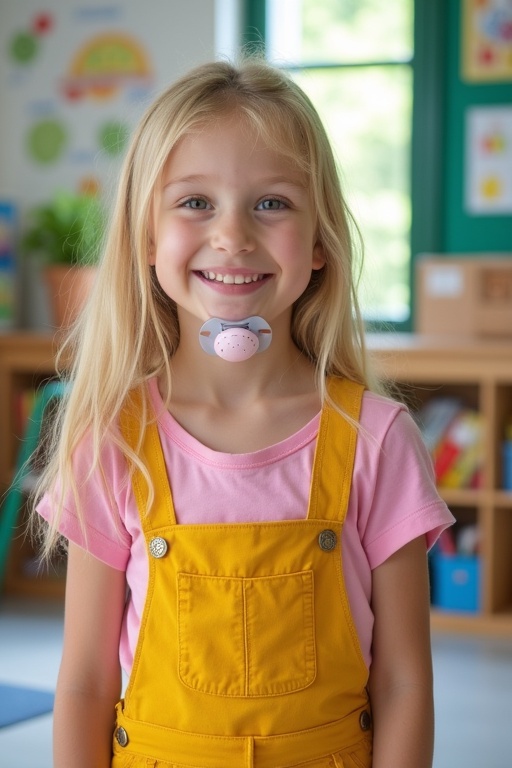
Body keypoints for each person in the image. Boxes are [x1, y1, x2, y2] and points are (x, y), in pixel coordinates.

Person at [33, 57, 454, 768]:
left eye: (272, 203)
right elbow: (83, 684)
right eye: (195, 202)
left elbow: (406, 681)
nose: (233, 235)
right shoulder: (114, 442)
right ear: (146, 238)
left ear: (319, 243)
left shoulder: (376, 439)